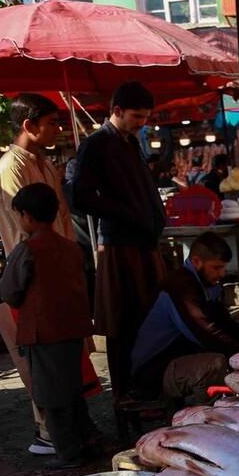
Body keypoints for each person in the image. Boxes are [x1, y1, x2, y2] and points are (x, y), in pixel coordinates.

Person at [71, 81, 166, 401]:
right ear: (117, 111)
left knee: (147, 316)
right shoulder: (96, 144)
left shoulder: (130, 142)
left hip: (142, 243)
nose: (142, 123)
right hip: (119, 244)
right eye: (137, 117)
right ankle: (125, 391)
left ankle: (145, 384)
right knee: (123, 323)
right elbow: (80, 197)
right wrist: (126, 213)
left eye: (145, 117)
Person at [0, 183, 99, 469]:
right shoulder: (72, 248)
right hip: (72, 330)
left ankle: (69, 453)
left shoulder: (27, 251)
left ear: (26, 216)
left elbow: (9, 292)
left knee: (51, 397)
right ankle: (87, 441)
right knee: (72, 390)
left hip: (42, 333)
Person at [131, 231, 239, 406]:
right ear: (197, 261)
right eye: (216, 267)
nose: (222, 273)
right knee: (214, 364)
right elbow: (206, 333)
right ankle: (207, 420)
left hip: (178, 354)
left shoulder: (202, 284)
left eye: (223, 267)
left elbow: (224, 322)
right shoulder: (180, 288)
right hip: (153, 370)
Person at [0, 94, 75, 254]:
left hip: (59, 259)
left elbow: (63, 214)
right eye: (52, 123)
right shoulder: (10, 167)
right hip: (32, 265)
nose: (58, 129)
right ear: (29, 126)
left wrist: (70, 253)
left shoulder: (46, 163)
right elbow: (26, 225)